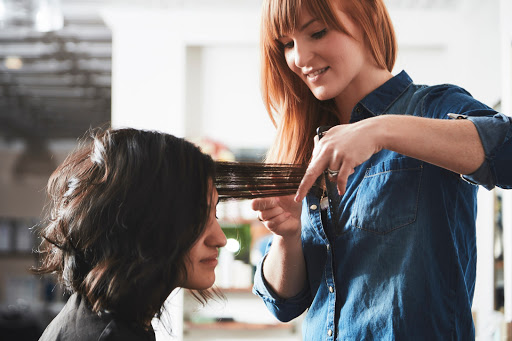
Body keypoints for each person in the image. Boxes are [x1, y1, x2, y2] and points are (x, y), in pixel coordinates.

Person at [251, 0, 512, 340]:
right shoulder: (307, 145)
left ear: (366, 18)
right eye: (287, 44)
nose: (299, 59)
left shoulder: (433, 107)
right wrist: (285, 236)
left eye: (317, 32)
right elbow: (283, 304)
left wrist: (379, 130)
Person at [33, 127, 227, 341]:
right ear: (142, 221)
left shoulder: (108, 321)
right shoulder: (109, 335)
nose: (220, 239)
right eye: (197, 216)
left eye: (214, 214)